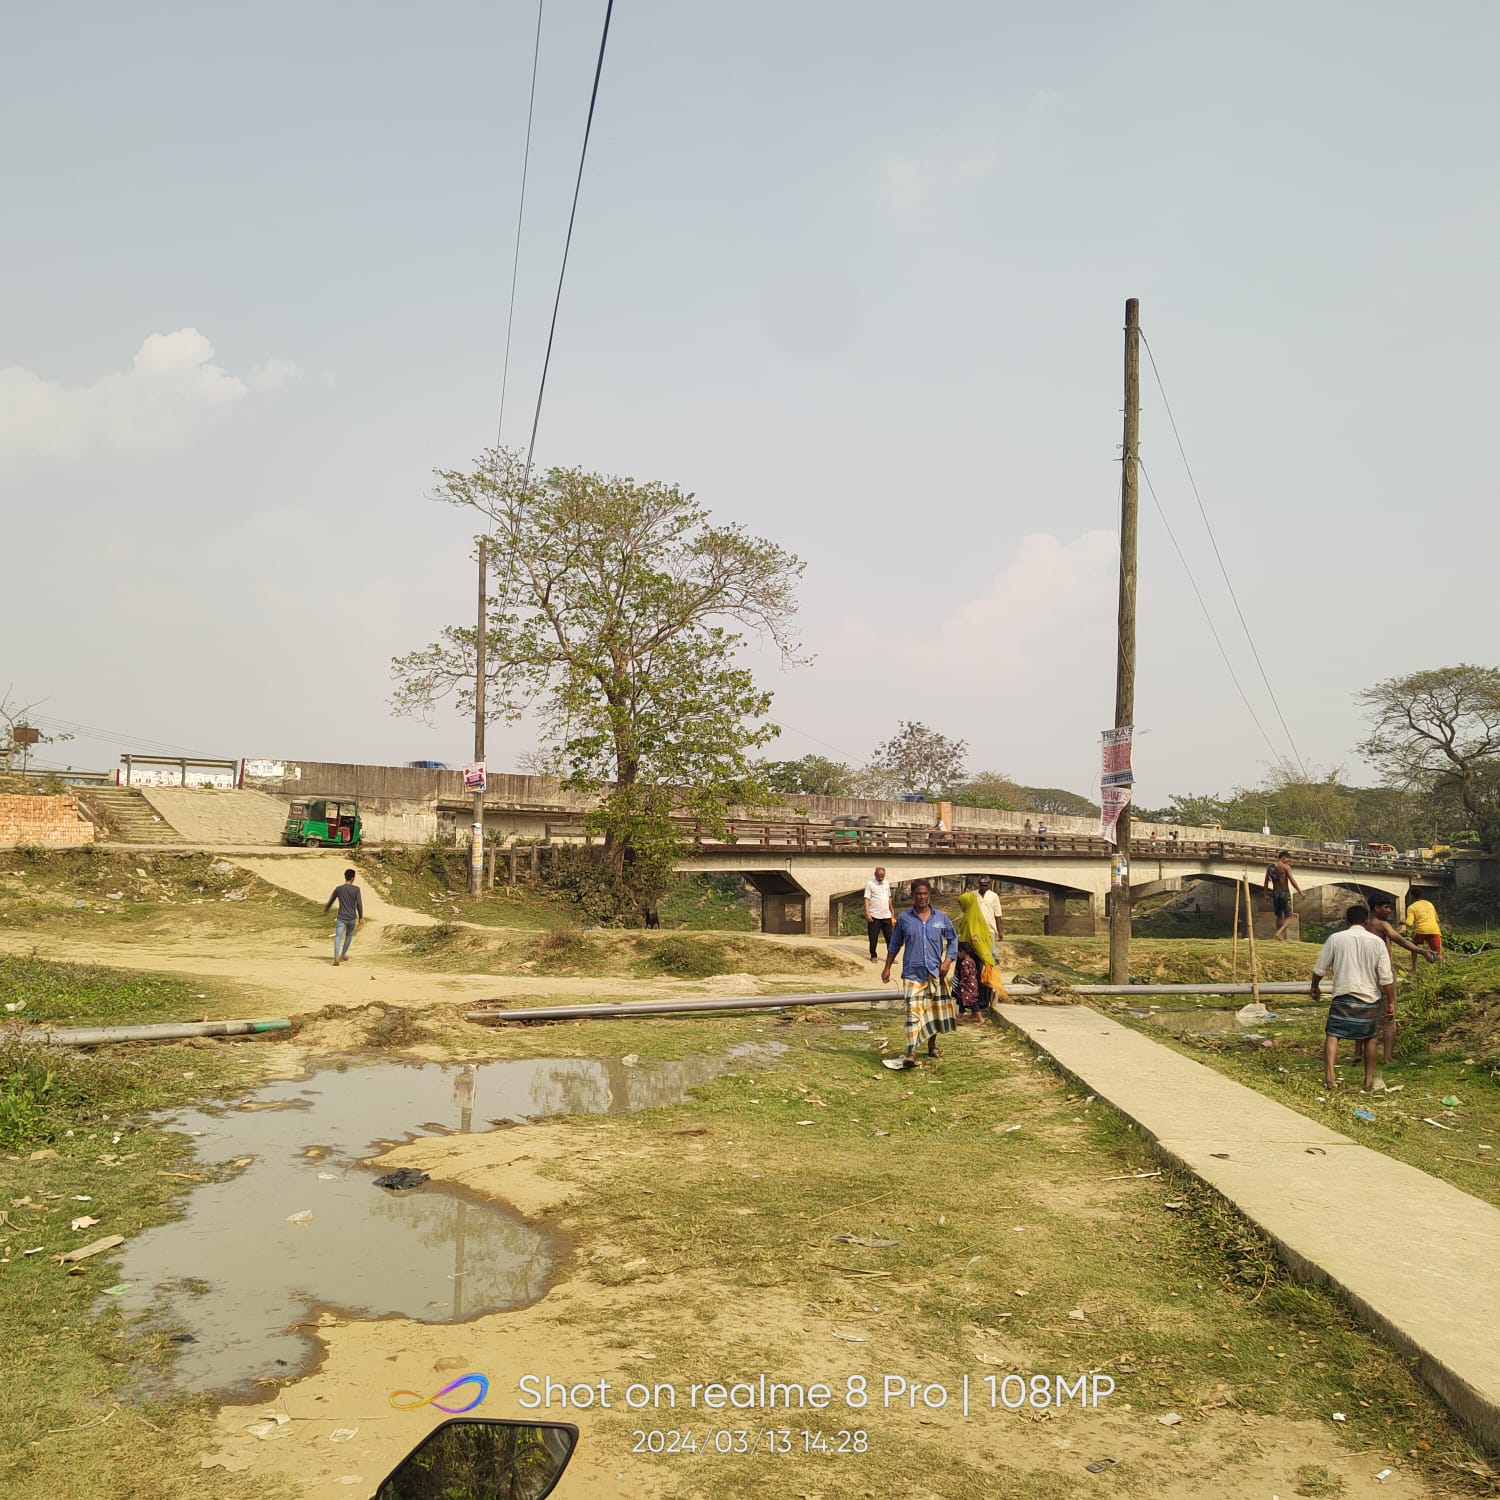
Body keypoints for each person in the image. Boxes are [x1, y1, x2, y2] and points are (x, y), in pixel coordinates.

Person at [1310, 905, 1394, 1091]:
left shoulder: (1335, 939)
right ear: (1366, 921)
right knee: (1369, 1038)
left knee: (1333, 1034)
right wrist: (1391, 1002)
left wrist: (1314, 986)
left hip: (1343, 995)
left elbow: (1319, 969)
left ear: (1347, 921)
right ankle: (1367, 1081)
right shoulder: (1377, 942)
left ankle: (1330, 1077)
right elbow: (1386, 977)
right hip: (1369, 998)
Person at [881, 879, 958, 1066]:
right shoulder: (904, 919)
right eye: (918, 894)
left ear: (929, 895)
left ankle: (931, 1046)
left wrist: (947, 962)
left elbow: (953, 940)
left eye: (925, 894)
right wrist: (887, 966)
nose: (921, 897)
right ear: (912, 896)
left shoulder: (940, 919)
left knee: (934, 1012)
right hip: (912, 973)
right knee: (912, 1013)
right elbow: (895, 944)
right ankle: (911, 1052)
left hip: (935, 973)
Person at [1364, 896, 1433, 1066]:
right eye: (1386, 907)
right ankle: (1387, 1058)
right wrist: (1422, 952)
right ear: (1376, 908)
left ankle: (1359, 1055)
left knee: (1365, 1013)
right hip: (1384, 973)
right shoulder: (1382, 925)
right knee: (1390, 1014)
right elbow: (1401, 941)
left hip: (1366, 973)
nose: (1389, 910)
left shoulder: (1363, 926)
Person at [954, 890, 996, 1023]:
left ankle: (972, 1015)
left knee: (969, 988)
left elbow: (974, 939)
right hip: (972, 956)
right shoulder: (974, 915)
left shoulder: (970, 918)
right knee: (970, 989)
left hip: (972, 957)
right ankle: (970, 1014)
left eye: (961, 903)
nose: (961, 906)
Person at [324, 868, 364, 966]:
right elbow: (359, 903)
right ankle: (342, 955)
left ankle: (336, 957)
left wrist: (326, 910)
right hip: (351, 917)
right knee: (349, 936)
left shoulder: (339, 889)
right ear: (353, 878)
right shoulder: (356, 889)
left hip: (341, 917)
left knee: (338, 937)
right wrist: (361, 916)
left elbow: (331, 900)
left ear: (345, 877)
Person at [1263, 851, 1303, 941]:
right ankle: (1279, 932)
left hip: (1275, 893)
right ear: (1284, 858)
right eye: (1288, 859)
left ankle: (1279, 937)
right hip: (1284, 893)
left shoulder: (1271, 867)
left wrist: (1266, 894)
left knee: (1279, 916)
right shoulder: (1286, 867)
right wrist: (1300, 892)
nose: (1289, 861)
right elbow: (1292, 881)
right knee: (1289, 916)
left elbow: (1266, 881)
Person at [864, 866, 894, 963]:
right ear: (875, 874)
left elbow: (888, 897)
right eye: (879, 876)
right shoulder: (870, 884)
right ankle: (873, 955)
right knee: (873, 938)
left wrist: (891, 909)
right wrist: (867, 913)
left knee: (890, 938)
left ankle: (891, 957)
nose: (881, 878)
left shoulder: (886, 883)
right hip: (874, 916)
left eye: (882, 876)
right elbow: (867, 899)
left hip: (886, 915)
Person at [1404, 895, 1443, 971]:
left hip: (1421, 931)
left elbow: (1409, 923)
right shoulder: (1429, 904)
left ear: (1412, 897)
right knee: (1437, 952)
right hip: (1434, 930)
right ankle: (1440, 969)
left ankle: (1414, 968)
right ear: (1421, 895)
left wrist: (1403, 922)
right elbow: (1437, 919)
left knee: (1414, 947)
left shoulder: (1411, 907)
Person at [976, 878, 1005, 950]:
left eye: (985, 885)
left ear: (989, 885)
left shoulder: (994, 896)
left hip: (990, 929)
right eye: (981, 885)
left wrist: (1000, 931)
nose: (983, 887)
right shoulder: (973, 895)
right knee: (978, 952)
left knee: (992, 952)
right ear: (978, 884)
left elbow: (998, 914)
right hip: (976, 929)